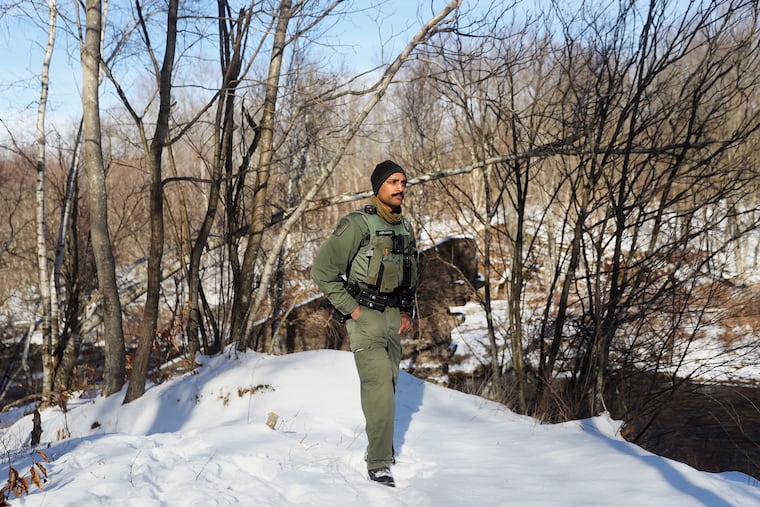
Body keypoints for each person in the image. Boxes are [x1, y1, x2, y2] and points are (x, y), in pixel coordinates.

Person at [311, 160, 420, 488]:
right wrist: (352, 310)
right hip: (365, 317)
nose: (400, 187)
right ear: (378, 188)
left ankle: (382, 447)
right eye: (392, 182)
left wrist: (404, 311)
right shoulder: (357, 225)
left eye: (403, 182)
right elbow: (322, 272)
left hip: (392, 318)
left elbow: (408, 274)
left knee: (390, 384)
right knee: (379, 388)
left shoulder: (405, 227)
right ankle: (379, 464)